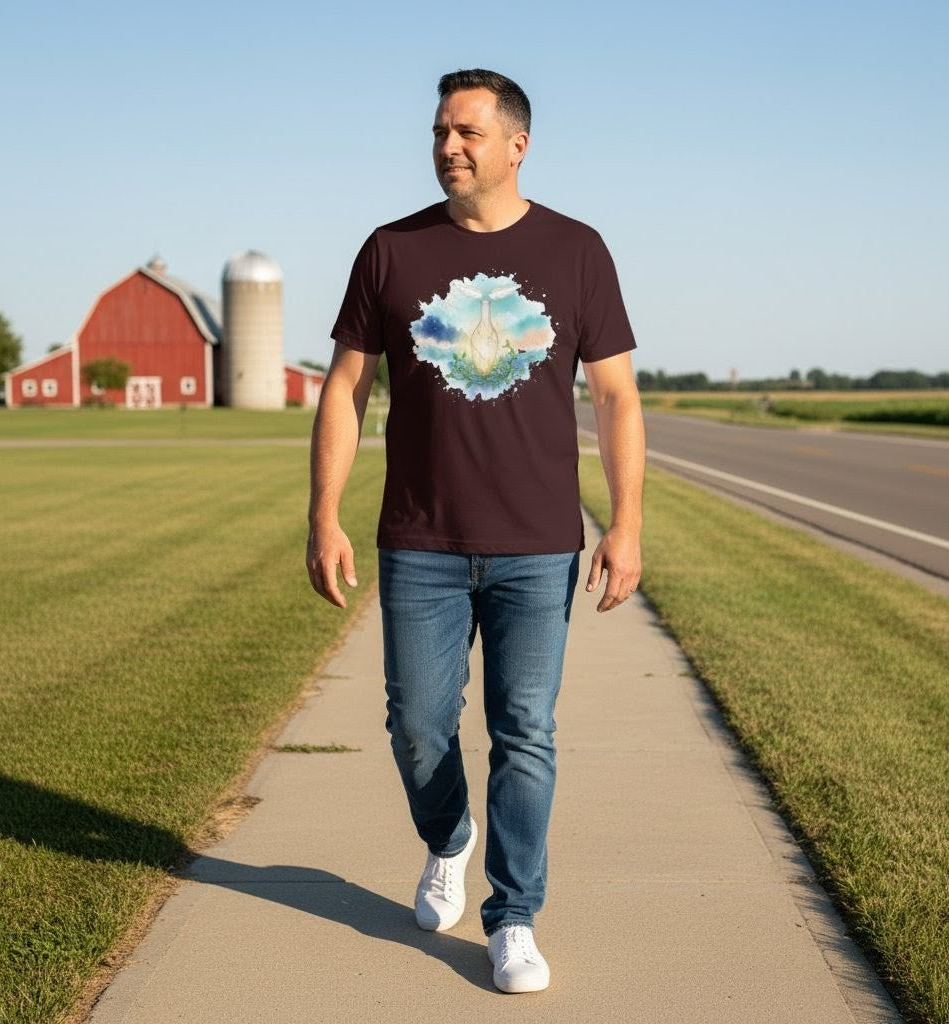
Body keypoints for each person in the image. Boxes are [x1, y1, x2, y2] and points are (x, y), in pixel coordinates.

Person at [306, 68, 645, 994]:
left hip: (539, 542)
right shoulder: (391, 249)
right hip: (419, 538)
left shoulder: (578, 251)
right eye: (439, 132)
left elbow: (616, 396)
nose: (448, 146)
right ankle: (448, 835)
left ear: (516, 145)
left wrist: (626, 524)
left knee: (525, 730)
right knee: (417, 725)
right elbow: (345, 388)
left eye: (466, 132)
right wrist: (323, 516)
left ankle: (514, 916)